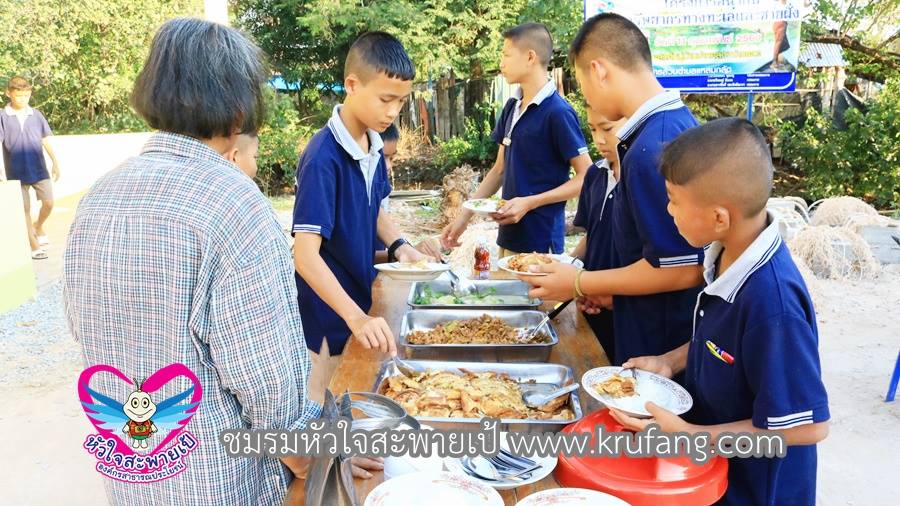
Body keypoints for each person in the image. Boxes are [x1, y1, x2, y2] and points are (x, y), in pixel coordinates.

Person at [63, 18, 379, 505]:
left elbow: (83, 326)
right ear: (239, 112)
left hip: (130, 472)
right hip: (221, 481)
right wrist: (313, 454)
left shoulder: (99, 197)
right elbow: (268, 382)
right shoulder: (234, 204)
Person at [611, 118, 830, 505]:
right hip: (716, 476)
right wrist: (669, 361)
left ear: (719, 218)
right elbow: (722, 342)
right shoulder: (726, 256)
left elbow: (809, 427)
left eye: (674, 200)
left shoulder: (773, 304)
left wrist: (691, 437)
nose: (668, 210)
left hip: (758, 492)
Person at [523, 14, 704, 366]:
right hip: (644, 327)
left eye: (581, 83)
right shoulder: (666, 127)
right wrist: (604, 290)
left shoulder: (653, 146)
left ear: (599, 70)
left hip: (658, 346)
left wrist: (580, 282)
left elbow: (681, 268)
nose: (585, 95)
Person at [292, 32, 432, 404]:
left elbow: (374, 208)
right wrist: (356, 318)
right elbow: (304, 255)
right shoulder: (323, 158)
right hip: (328, 320)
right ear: (352, 85)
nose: (393, 111)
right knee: (326, 407)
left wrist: (402, 247)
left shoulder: (373, 145)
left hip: (361, 306)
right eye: (386, 99)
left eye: (401, 102)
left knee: (358, 402)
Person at [441, 22, 592, 256]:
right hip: (509, 238)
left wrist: (530, 202)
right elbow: (499, 170)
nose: (501, 63)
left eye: (506, 55)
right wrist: (463, 218)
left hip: (541, 243)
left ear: (530, 57)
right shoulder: (512, 107)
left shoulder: (558, 112)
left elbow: (586, 176)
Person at [569, 108, 626, 361]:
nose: (599, 139)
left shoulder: (640, 177)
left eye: (607, 129)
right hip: (592, 301)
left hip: (627, 305)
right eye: (592, 129)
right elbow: (592, 234)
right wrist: (569, 268)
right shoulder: (595, 175)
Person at [0, 76, 61, 259]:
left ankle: (38, 226)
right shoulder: (2, 116)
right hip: (15, 171)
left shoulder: (36, 115)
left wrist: (55, 162)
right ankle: (34, 246)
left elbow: (45, 139)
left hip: (39, 168)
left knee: (49, 203)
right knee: (24, 209)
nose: (23, 99)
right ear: (8, 93)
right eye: (19, 95)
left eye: (26, 95)